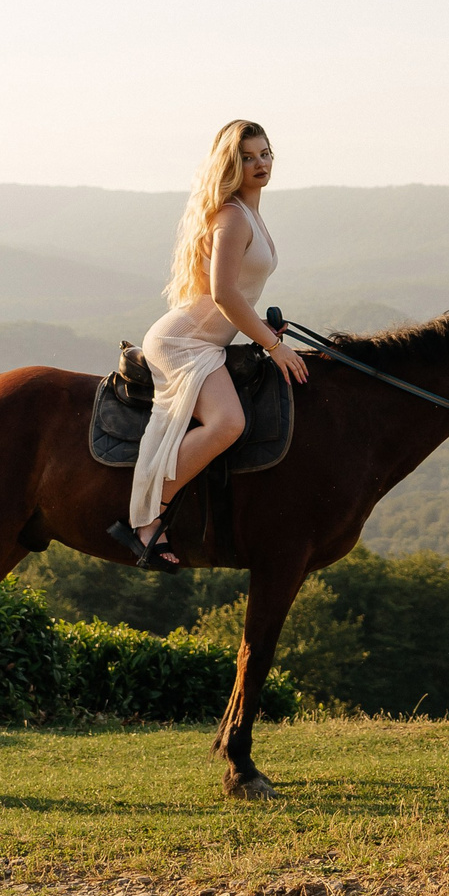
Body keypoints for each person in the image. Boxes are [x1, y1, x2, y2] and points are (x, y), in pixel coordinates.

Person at [109, 119, 309, 569]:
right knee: (227, 423)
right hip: (183, 342)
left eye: (265, 154)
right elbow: (223, 295)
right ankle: (146, 519)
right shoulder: (233, 216)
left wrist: (261, 328)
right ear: (231, 165)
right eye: (247, 157)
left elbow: (238, 296)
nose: (260, 164)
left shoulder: (249, 212)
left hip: (207, 340)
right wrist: (273, 347)